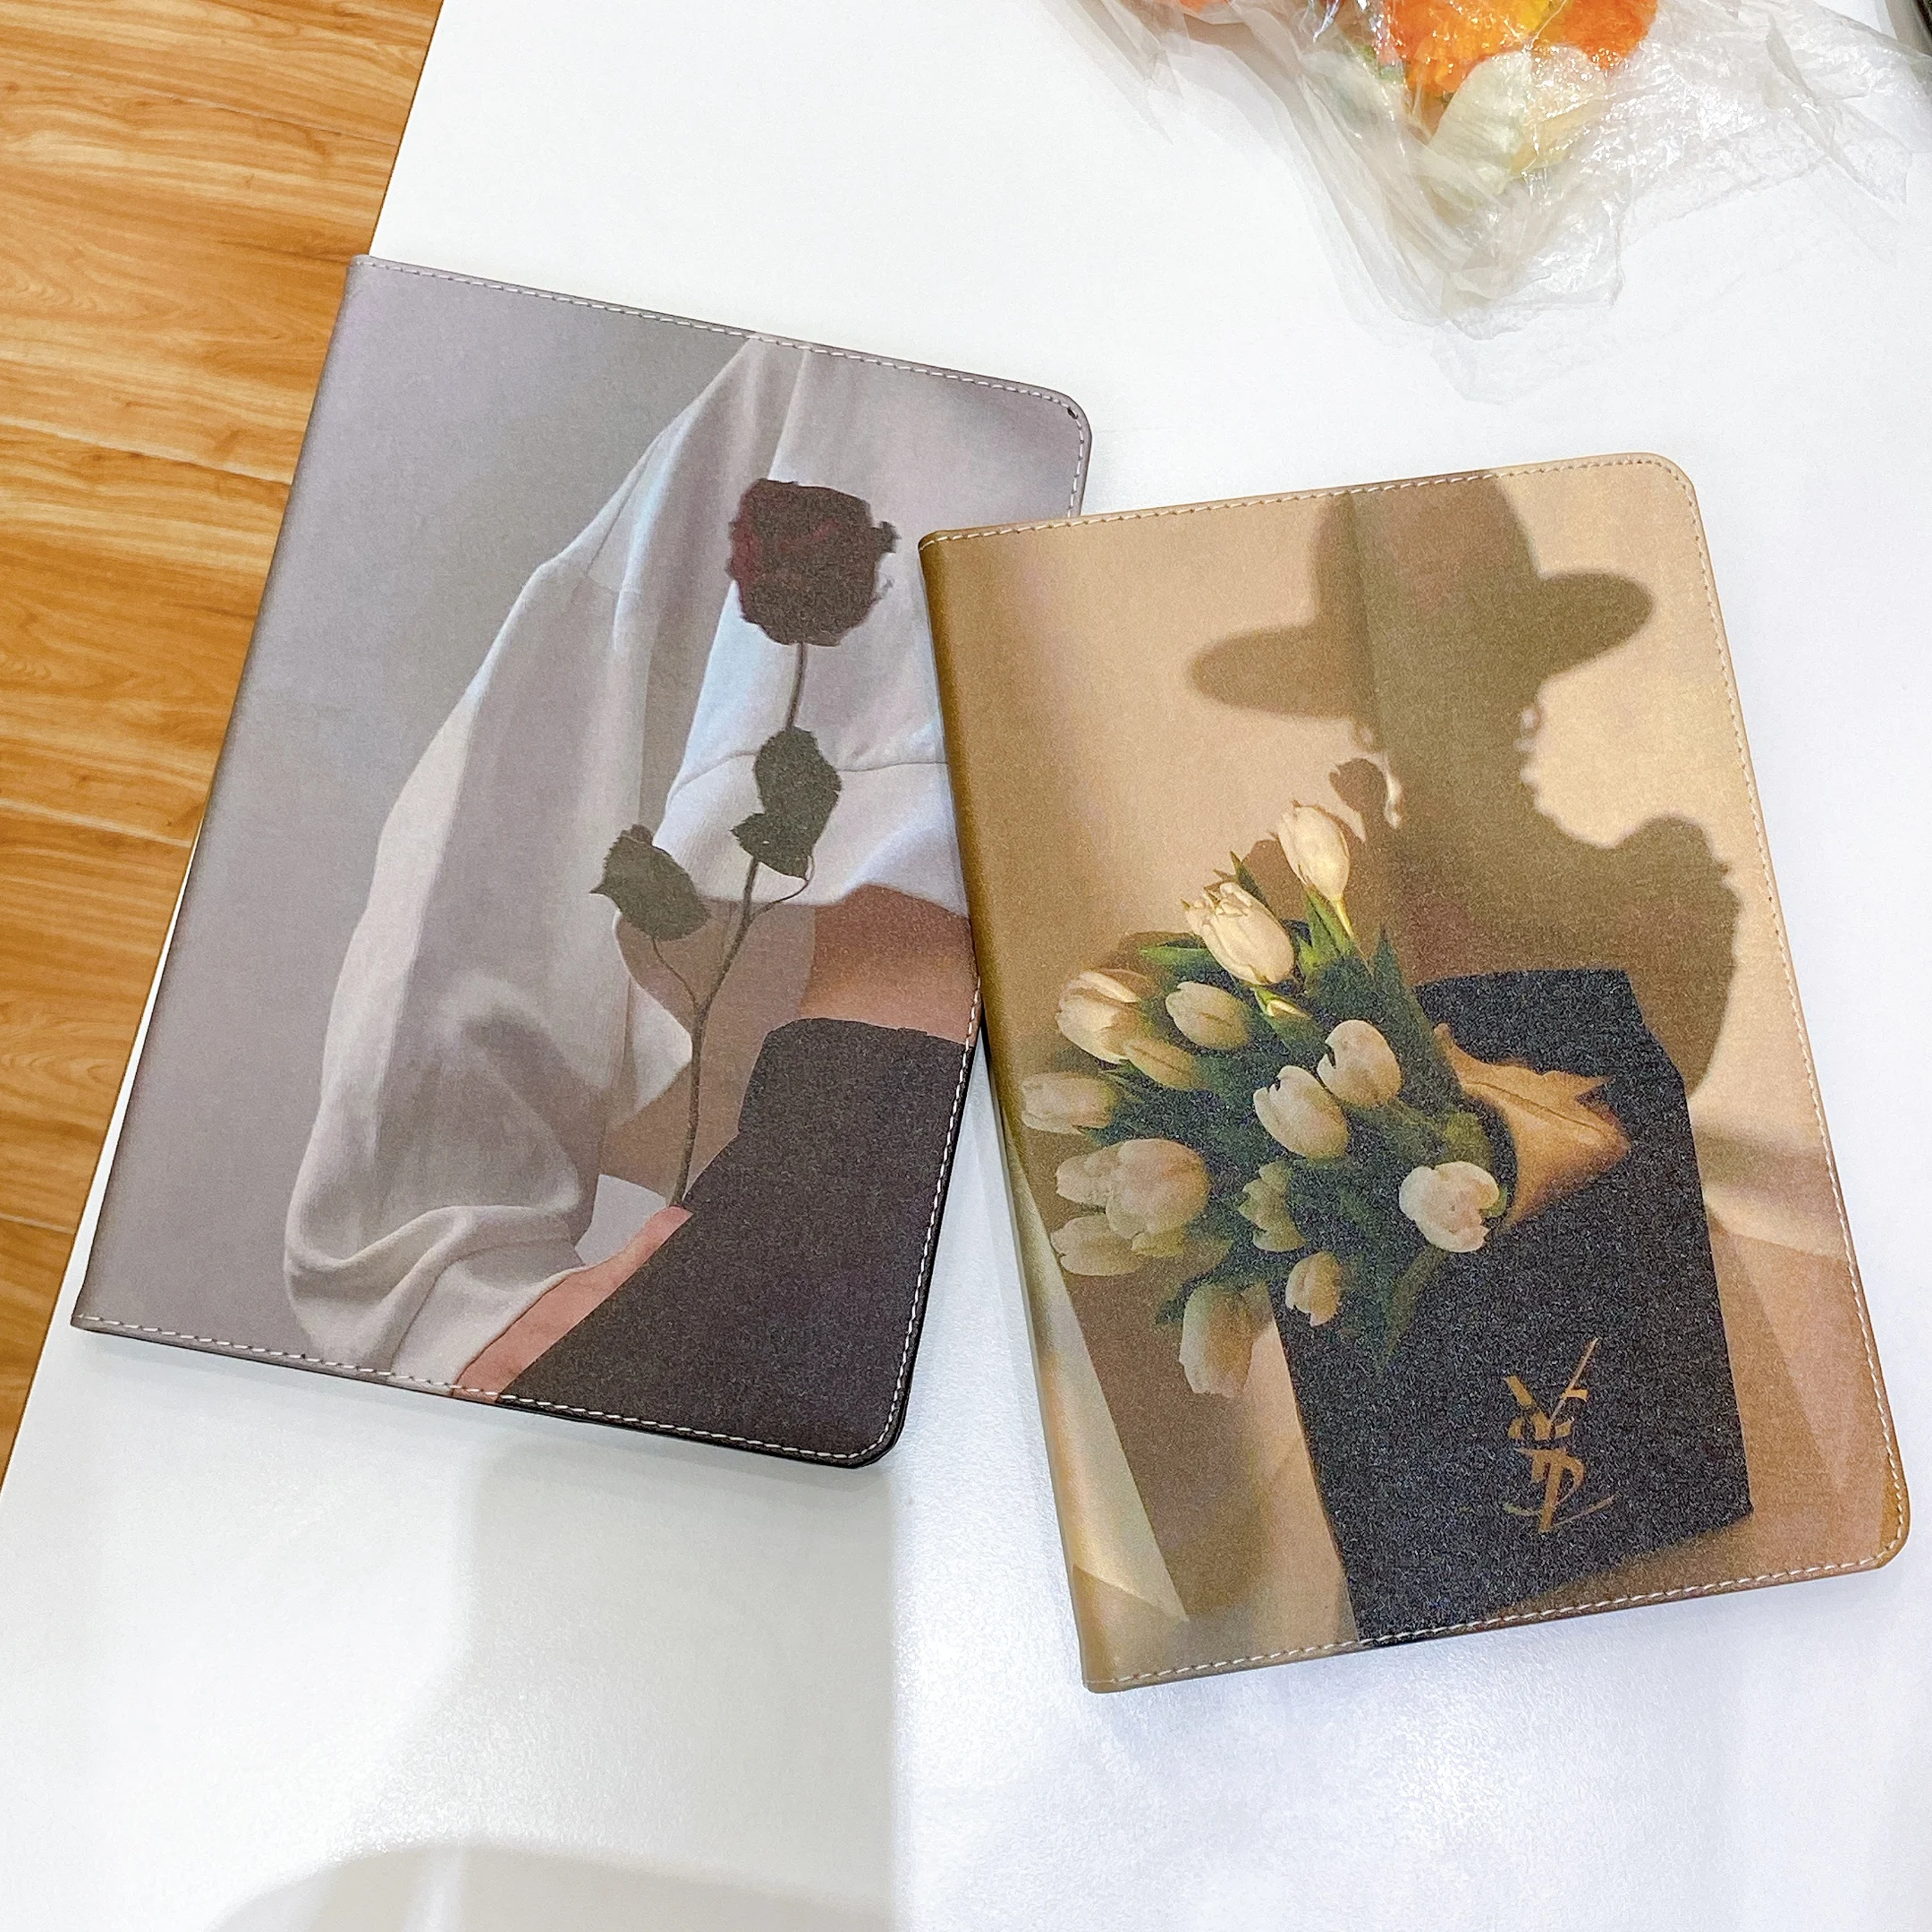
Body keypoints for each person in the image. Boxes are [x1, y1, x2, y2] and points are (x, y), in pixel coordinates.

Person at [284, 336, 1033, 1453]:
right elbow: (562, 710)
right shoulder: (872, 371)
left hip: (1244, 1184)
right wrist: (442, 1293)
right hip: (854, 1191)